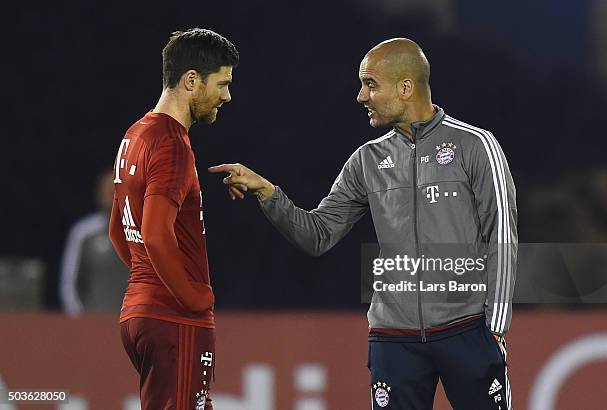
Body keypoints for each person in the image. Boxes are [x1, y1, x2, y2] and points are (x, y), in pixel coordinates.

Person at [209, 38, 517, 410]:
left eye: (370, 84)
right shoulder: (366, 160)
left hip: (466, 330)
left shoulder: (476, 145)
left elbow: (500, 235)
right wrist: (268, 193)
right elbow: (318, 235)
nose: (360, 96)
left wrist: (495, 327)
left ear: (406, 88)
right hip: (393, 338)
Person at [109, 28, 238, 410]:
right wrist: (191, 296)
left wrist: (147, 282)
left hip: (140, 312)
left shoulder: (136, 134)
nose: (227, 95)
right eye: (222, 83)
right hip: (172, 318)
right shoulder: (172, 144)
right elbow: (153, 233)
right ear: (192, 79)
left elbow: (118, 231)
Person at [59, 169, 129, 315]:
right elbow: (69, 284)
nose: (113, 197)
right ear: (100, 195)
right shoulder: (83, 233)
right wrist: (79, 318)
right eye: (108, 192)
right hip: (93, 323)